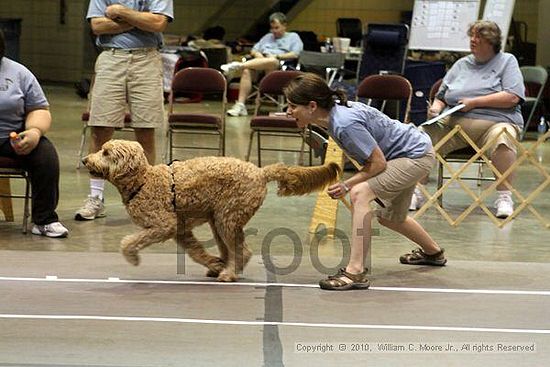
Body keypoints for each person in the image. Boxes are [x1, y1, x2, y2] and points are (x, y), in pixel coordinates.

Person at [284, 73, 446, 291]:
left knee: (359, 193)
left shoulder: (344, 122)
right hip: (406, 154)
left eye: (293, 106)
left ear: (312, 106)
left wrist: (347, 184)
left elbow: (377, 164)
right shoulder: (333, 117)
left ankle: (355, 271)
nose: (288, 112)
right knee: (391, 219)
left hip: (414, 156)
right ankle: (433, 253)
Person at [410, 20, 525, 219]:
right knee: (421, 135)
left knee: (503, 137)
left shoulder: (507, 61)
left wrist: (475, 102)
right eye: (472, 35)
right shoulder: (461, 64)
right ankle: (417, 191)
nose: (473, 40)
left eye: (479, 37)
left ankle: (504, 198)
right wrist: (436, 108)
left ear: (491, 42)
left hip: (495, 122)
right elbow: (442, 95)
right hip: (455, 123)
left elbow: (512, 97)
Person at [75, 0, 173, 221]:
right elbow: (98, 27)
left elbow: (158, 23)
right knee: (100, 128)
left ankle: (149, 198)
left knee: (145, 129)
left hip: (146, 58)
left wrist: (120, 13)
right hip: (112, 57)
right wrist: (139, 19)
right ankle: (96, 198)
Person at [0, 30, 68, 238]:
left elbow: (39, 109)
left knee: (45, 155)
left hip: (10, 138)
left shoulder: (19, 73)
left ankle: (44, 219)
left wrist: (34, 131)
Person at [221, 12, 303, 117]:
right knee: (247, 71)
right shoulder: (268, 37)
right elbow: (254, 50)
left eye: (277, 28)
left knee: (272, 61)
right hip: (261, 64)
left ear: (285, 25)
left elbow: (295, 54)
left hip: (279, 65)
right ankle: (240, 105)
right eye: (272, 28)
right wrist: (259, 55)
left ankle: (238, 65)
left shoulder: (293, 37)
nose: (274, 31)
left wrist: (277, 56)